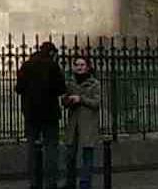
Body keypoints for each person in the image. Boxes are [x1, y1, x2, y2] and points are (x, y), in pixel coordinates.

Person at [15, 43, 68, 189]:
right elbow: (61, 88)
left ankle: (34, 182)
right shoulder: (53, 66)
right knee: (51, 149)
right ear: (51, 53)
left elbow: (18, 88)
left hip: (31, 115)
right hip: (50, 115)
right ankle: (51, 182)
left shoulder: (26, 65)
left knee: (32, 148)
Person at [62, 56, 104, 189]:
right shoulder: (70, 83)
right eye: (77, 65)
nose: (79, 67)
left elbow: (96, 103)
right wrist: (68, 100)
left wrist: (81, 99)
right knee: (70, 156)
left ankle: (85, 183)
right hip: (73, 124)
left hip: (88, 124)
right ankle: (70, 182)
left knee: (87, 155)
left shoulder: (95, 83)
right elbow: (64, 100)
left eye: (82, 65)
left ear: (87, 67)